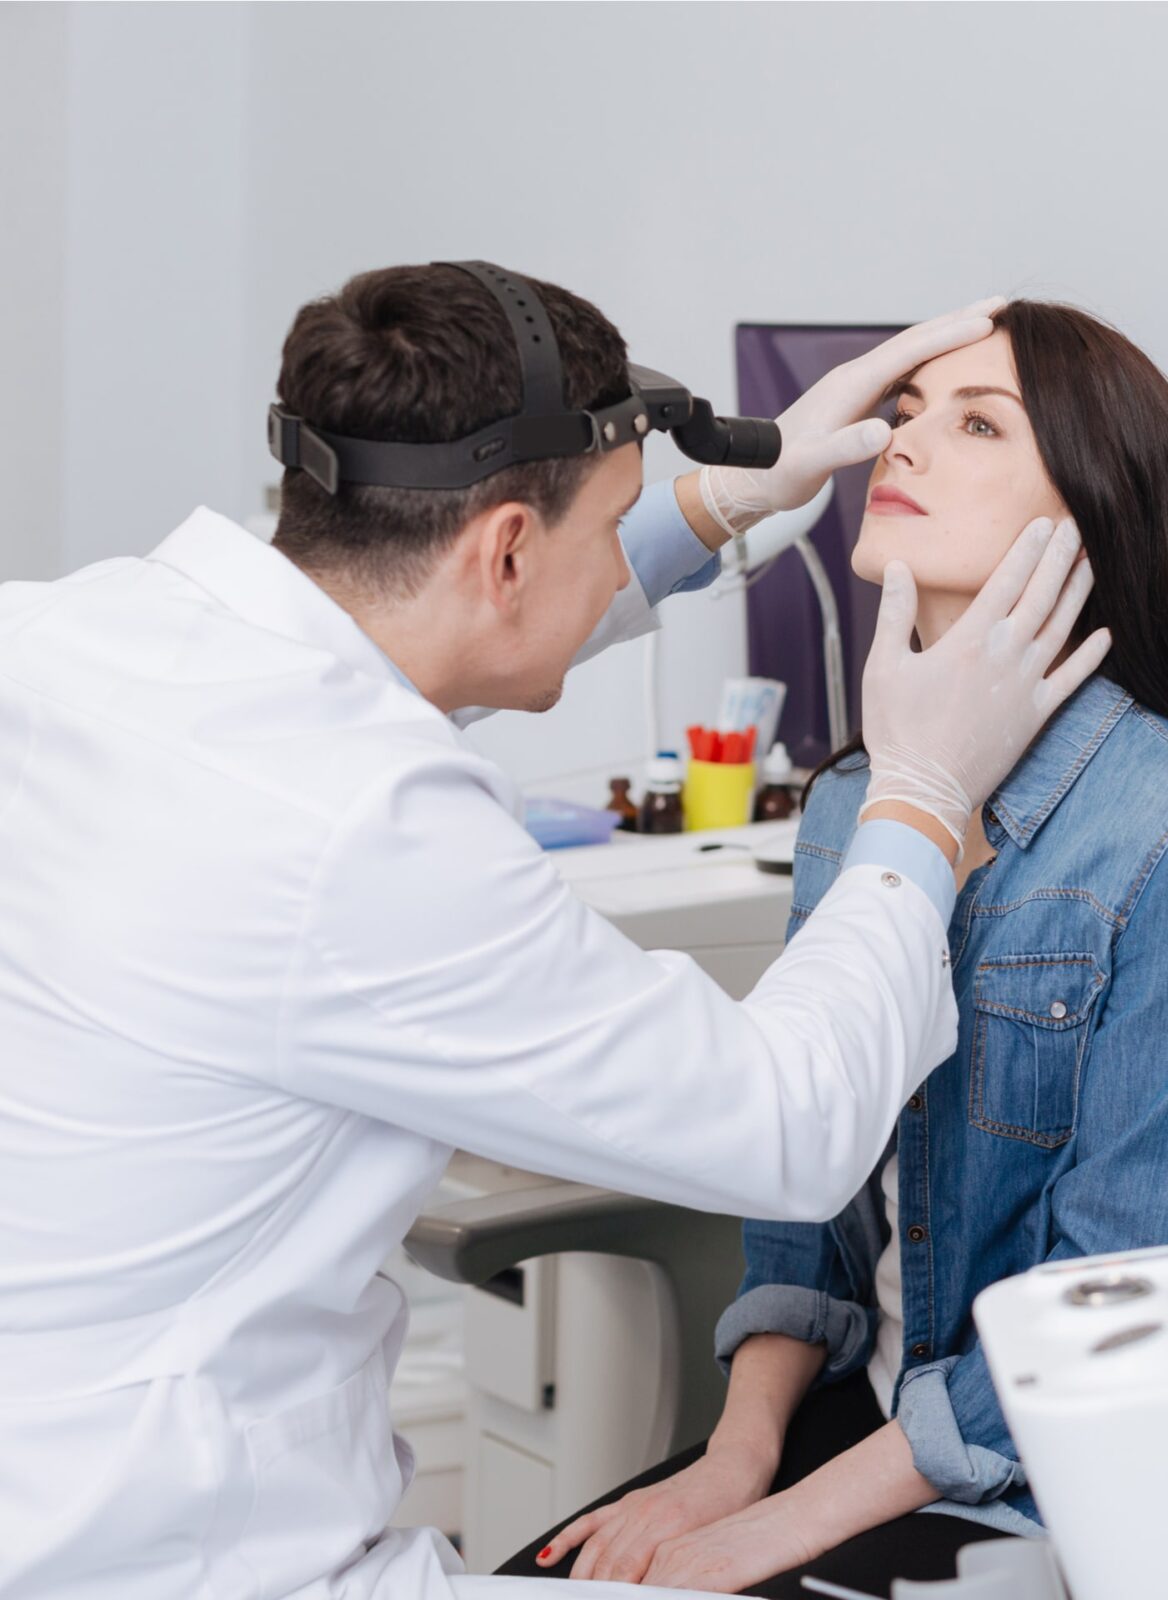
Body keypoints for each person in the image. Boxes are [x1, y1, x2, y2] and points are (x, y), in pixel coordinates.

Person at [0, 268, 1106, 1600]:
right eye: (622, 524)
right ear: (509, 551)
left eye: (976, 424)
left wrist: (710, 507)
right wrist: (922, 801)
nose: (913, 444)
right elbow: (789, 1131)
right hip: (166, 1553)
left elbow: (399, 654)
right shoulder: (370, 825)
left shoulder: (65, 634)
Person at [514, 300, 1168, 1597]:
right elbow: (803, 1205)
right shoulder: (857, 803)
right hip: (852, 1422)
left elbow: (1100, 1319)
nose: (901, 445)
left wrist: (781, 1527)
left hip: (1045, 1477)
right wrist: (735, 1459)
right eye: (902, 413)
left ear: (1090, 510)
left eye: (976, 422)